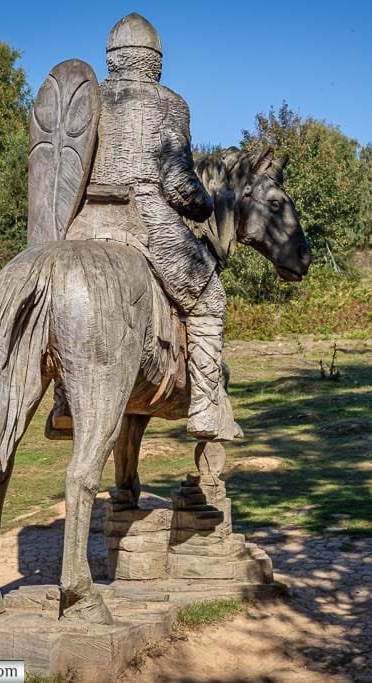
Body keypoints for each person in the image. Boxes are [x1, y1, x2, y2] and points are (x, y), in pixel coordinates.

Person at [88, 13, 240, 441]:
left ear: (113, 58)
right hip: (146, 223)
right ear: (154, 61)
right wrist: (203, 205)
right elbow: (176, 183)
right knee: (210, 299)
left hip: (82, 225)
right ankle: (206, 407)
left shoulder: (87, 99)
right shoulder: (170, 103)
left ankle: (65, 402)